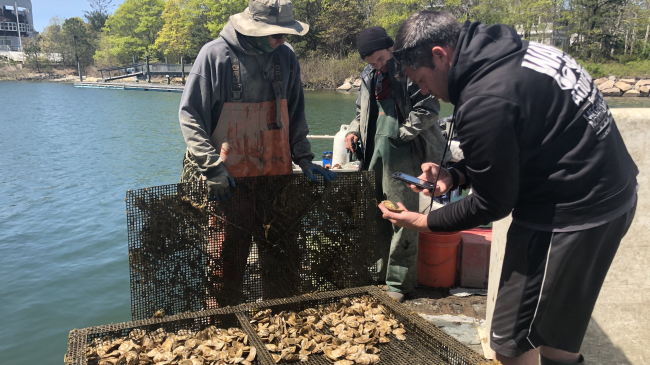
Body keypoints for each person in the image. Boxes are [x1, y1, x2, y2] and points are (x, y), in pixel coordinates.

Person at [379, 11, 638, 365]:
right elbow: (520, 140)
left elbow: (492, 203)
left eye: (422, 80)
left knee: (511, 342)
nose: (424, 91)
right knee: (557, 338)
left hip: (567, 218)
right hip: (613, 197)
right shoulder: (520, 52)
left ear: (441, 55)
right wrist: (454, 175)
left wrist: (425, 223)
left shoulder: (486, 98)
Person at [178, 0, 336, 305]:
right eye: (276, 35)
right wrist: (212, 169)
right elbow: (190, 116)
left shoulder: (286, 57)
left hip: (276, 175)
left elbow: (296, 111)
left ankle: (282, 321)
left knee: (282, 253)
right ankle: (222, 325)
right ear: (254, 29)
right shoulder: (214, 55)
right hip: (228, 181)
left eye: (286, 34)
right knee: (226, 256)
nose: (283, 40)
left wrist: (304, 157)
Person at [345, 26, 448, 302]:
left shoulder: (410, 71)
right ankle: (378, 272)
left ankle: (399, 283)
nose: (378, 65)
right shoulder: (369, 75)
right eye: (372, 62)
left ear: (391, 48)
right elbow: (360, 112)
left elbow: (429, 108)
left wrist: (401, 133)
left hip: (405, 150)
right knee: (378, 209)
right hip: (374, 152)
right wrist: (352, 131)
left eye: (380, 59)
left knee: (402, 215)